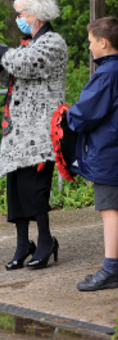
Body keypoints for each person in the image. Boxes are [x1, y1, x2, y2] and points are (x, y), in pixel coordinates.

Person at [0, 0, 67, 270]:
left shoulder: (52, 42)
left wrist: (0, 50)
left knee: (35, 188)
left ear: (36, 13)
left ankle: (46, 240)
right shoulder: (28, 43)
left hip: (40, 130)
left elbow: (26, 65)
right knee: (16, 190)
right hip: (17, 130)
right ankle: (22, 243)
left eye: (20, 13)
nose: (18, 18)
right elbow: (13, 76)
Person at [67, 17, 118, 291]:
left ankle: (111, 268)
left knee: (110, 209)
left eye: (90, 42)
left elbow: (85, 113)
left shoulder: (106, 74)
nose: (89, 48)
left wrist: (68, 115)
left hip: (110, 152)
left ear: (103, 42)